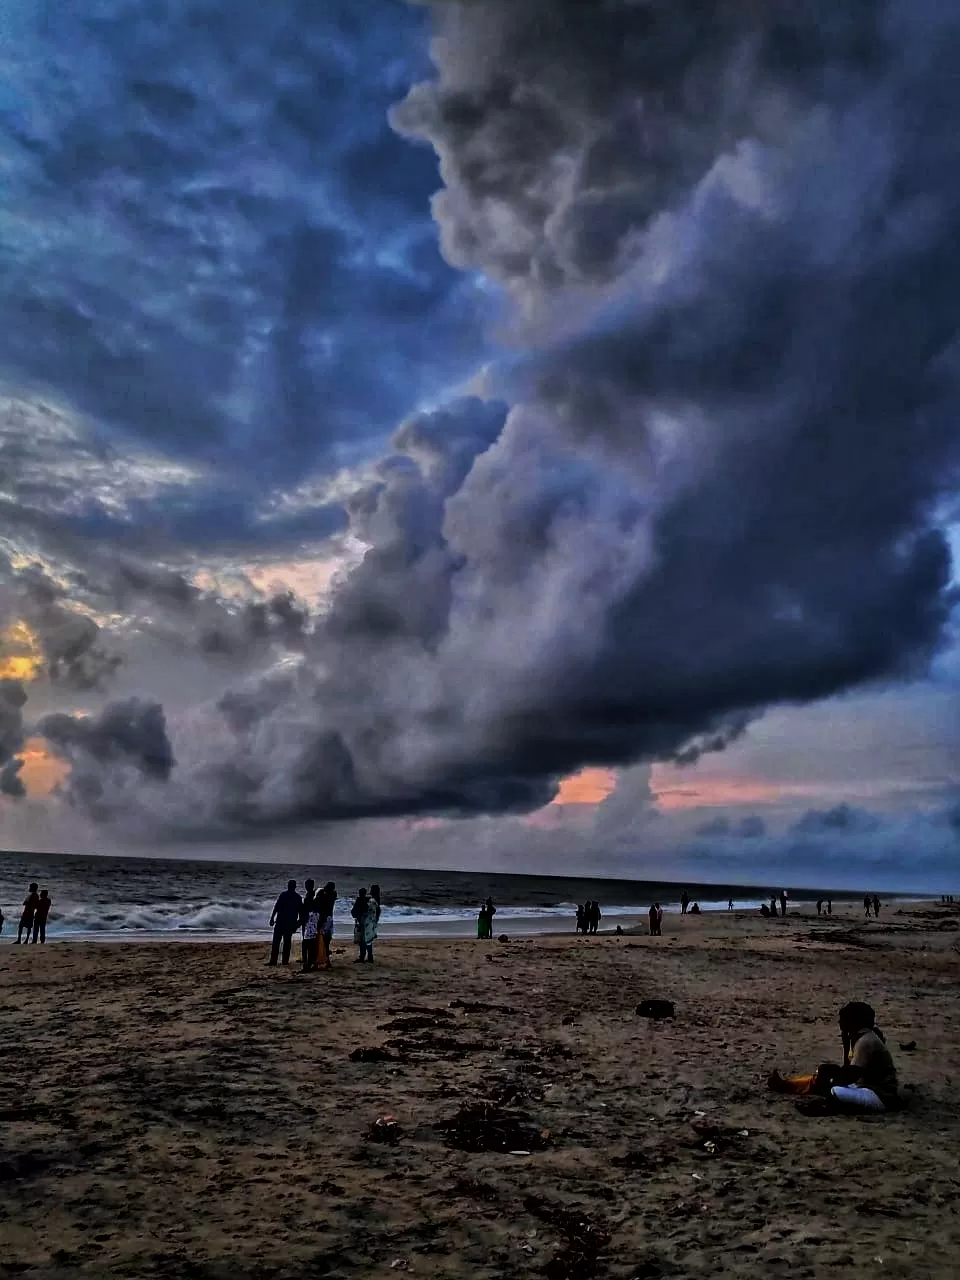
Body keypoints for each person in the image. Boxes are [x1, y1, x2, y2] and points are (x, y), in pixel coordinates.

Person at [768, 1001, 899, 1114]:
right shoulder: (862, 1036)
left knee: (834, 1089)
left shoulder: (866, 1042)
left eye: (843, 1020)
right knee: (822, 1078)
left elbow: (849, 1076)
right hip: (866, 1087)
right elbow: (849, 1070)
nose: (840, 1023)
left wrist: (829, 1077)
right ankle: (786, 1085)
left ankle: (826, 1108)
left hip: (881, 1096)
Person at [268, 880, 302, 967]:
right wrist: (298, 923)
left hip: (281, 921)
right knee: (287, 942)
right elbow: (300, 911)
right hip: (289, 922)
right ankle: (285, 961)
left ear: (288, 886)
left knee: (276, 942)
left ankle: (273, 961)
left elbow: (276, 907)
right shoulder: (297, 897)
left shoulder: (284, 895)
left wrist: (272, 918)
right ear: (295, 887)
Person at [318, 882, 337, 968]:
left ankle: (324, 959)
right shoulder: (333, 896)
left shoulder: (325, 897)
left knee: (322, 940)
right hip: (330, 919)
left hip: (324, 919)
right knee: (327, 940)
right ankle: (327, 961)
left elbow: (318, 898)